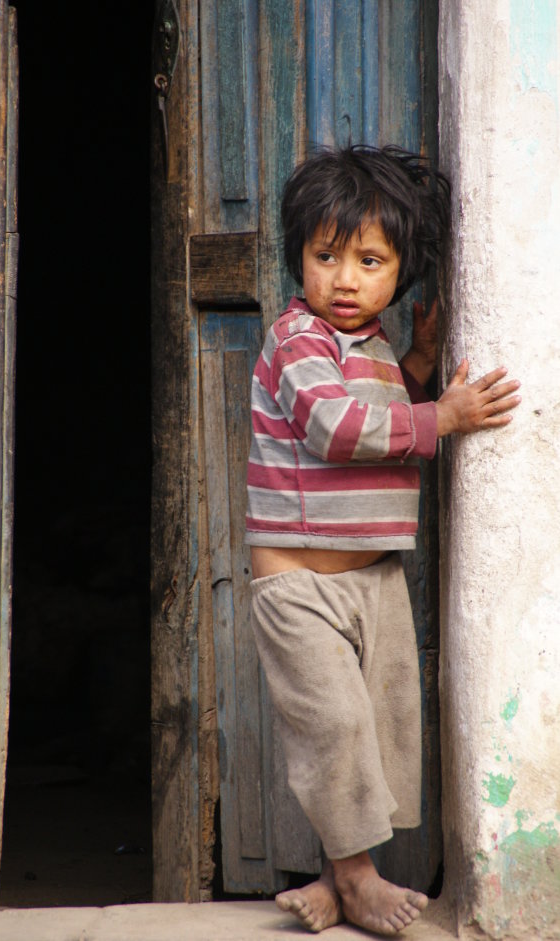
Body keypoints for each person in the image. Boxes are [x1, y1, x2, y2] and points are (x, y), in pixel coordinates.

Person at [244, 144, 521, 936]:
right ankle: (362, 881)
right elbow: (337, 426)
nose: (345, 278)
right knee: (332, 723)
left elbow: (372, 404)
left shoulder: (367, 348)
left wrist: (418, 363)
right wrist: (444, 414)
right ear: (299, 256)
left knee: (378, 728)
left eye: (370, 260)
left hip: (375, 580)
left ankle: (335, 882)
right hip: (299, 585)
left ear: (400, 270)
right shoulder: (297, 340)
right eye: (325, 256)